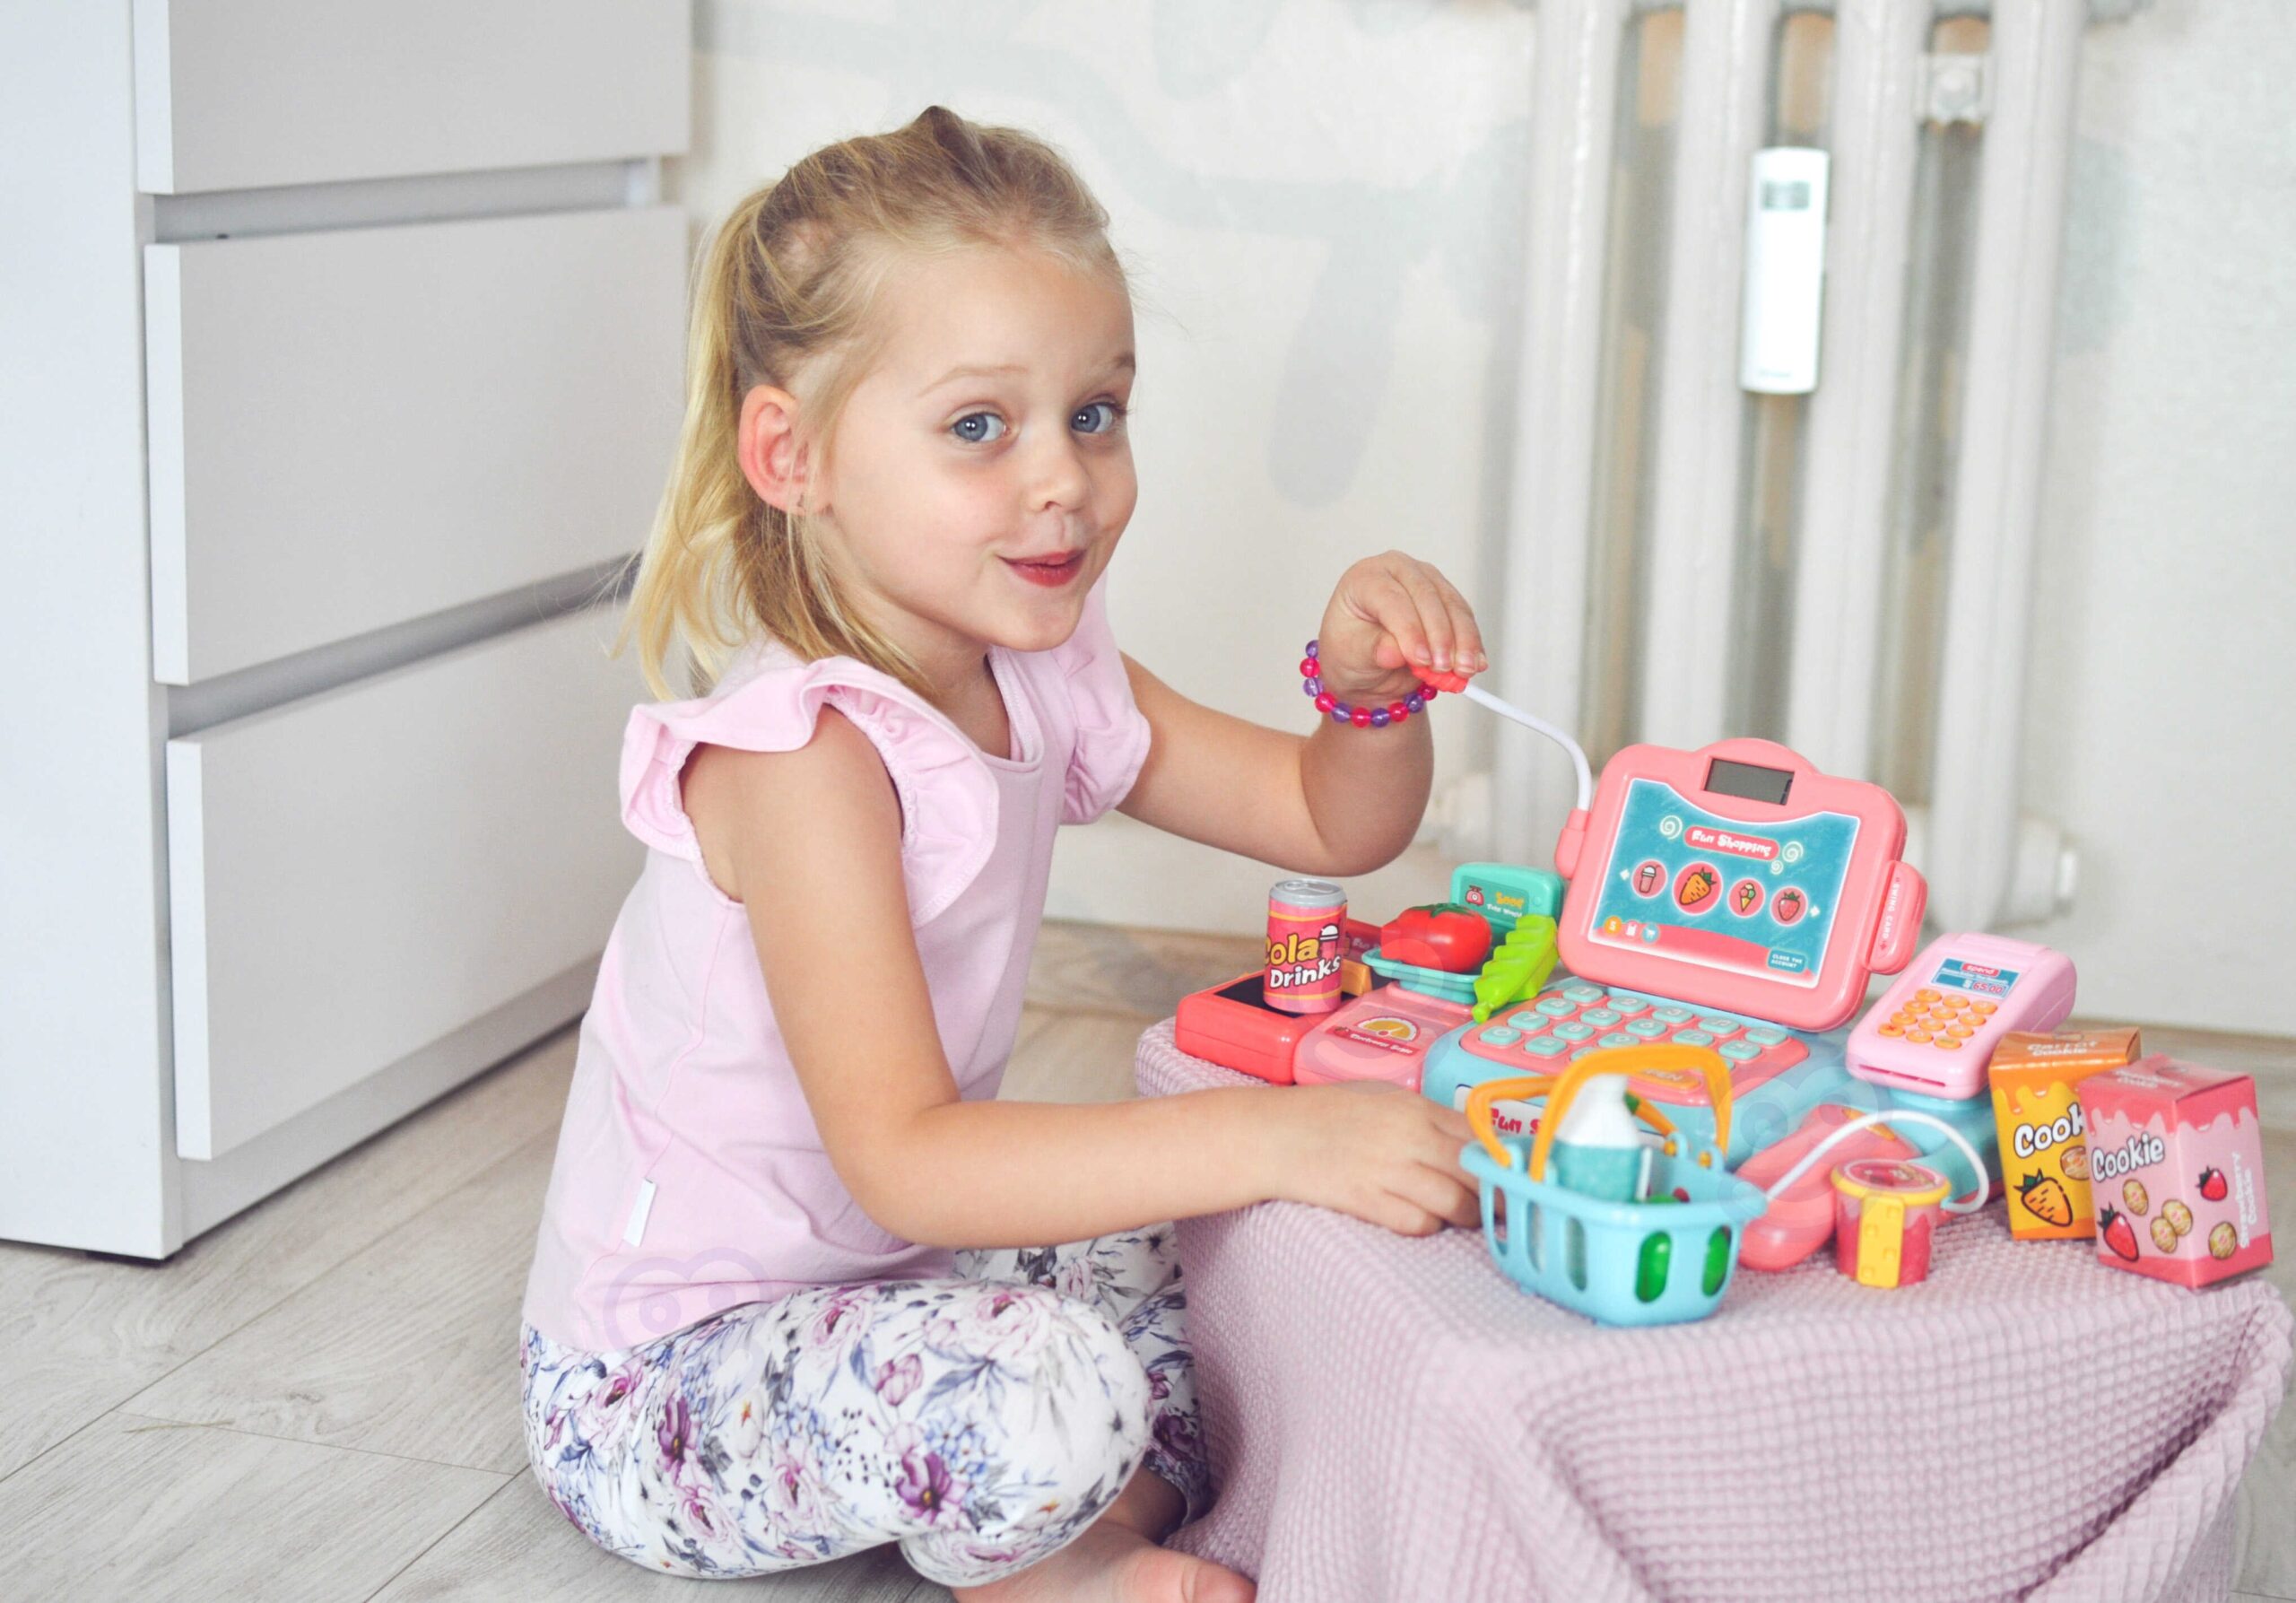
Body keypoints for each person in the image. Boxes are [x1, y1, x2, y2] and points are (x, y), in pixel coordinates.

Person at [518, 104, 1488, 1603]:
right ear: (792, 455)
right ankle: (1049, 1569)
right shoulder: (804, 756)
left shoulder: (1037, 666)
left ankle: (1079, 1526)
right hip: (665, 1382)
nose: (1065, 481)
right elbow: (909, 1159)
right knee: (1072, 1366)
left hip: (894, 1282)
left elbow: (1329, 819)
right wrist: (1280, 1132)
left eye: (1095, 414)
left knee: (1232, 1256)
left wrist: (1368, 700)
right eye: (980, 427)